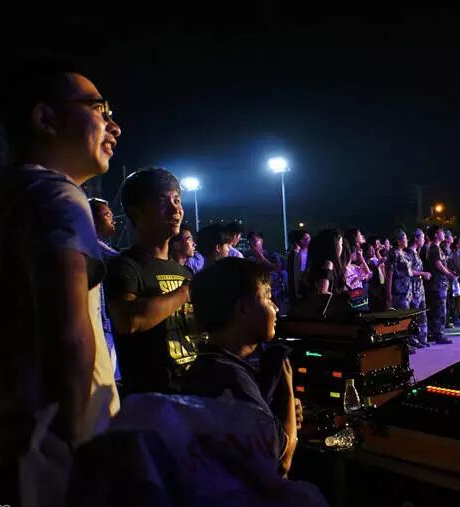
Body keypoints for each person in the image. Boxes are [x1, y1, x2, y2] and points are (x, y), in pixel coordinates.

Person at [0, 62, 121, 507]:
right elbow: (69, 335)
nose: (113, 126)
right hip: (49, 460)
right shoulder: (59, 196)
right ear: (46, 118)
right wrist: (72, 447)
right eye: (98, 108)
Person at [182, 259, 298, 476]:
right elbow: (281, 461)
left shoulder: (210, 366)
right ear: (243, 308)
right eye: (268, 297)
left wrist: (281, 415)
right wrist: (287, 392)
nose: (275, 307)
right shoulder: (229, 377)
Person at [105, 168, 198, 395]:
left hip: (190, 392)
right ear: (136, 213)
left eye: (177, 200)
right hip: (151, 399)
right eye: (162, 201)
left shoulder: (184, 272)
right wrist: (185, 293)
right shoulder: (125, 266)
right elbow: (128, 320)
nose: (176, 209)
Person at [90, 198, 122, 381]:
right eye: (107, 215)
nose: (113, 220)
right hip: (102, 323)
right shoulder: (92, 245)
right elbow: (122, 261)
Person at [386, 229, 430, 347]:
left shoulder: (405, 254)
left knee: (408, 317)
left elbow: (410, 272)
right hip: (398, 290)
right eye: (404, 238)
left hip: (408, 291)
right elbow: (389, 275)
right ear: (399, 241)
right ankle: (403, 344)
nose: (407, 240)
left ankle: (409, 342)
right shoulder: (393, 253)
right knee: (402, 318)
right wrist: (389, 294)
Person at [426, 225, 458, 344]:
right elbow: (438, 264)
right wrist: (449, 274)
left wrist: (450, 272)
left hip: (440, 283)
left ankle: (435, 333)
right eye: (441, 232)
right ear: (436, 234)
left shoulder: (437, 248)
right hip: (438, 284)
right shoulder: (434, 248)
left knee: (439, 309)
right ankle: (439, 334)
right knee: (440, 310)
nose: (443, 234)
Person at [407, 229, 431, 346]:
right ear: (416, 238)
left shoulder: (417, 252)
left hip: (420, 288)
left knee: (422, 313)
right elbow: (409, 271)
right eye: (422, 237)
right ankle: (414, 338)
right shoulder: (409, 253)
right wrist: (423, 273)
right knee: (415, 314)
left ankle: (422, 338)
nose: (424, 240)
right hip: (413, 288)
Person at [305, 229, 346, 295]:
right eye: (341, 244)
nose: (342, 247)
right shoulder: (328, 264)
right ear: (333, 246)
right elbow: (323, 292)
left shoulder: (317, 262)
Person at [286, 229, 310, 305]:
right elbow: (296, 275)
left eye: (309, 238)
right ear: (300, 241)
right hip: (302, 291)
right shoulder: (297, 255)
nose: (309, 240)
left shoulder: (309, 252)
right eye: (306, 238)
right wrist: (297, 293)